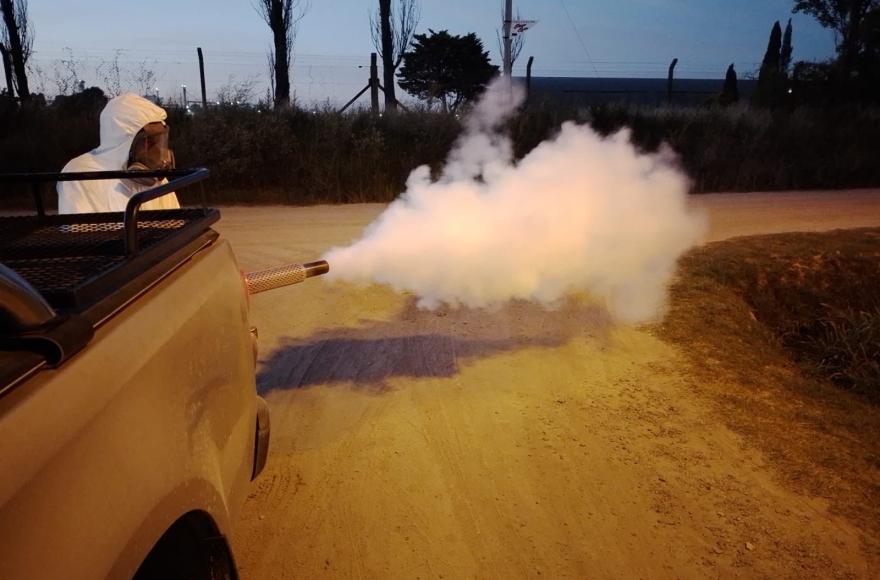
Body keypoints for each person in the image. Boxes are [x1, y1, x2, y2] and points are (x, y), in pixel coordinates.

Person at [57, 93, 180, 214]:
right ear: (124, 141)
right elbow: (78, 227)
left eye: (156, 142)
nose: (156, 151)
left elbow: (175, 222)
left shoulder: (156, 179)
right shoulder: (80, 175)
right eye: (146, 141)